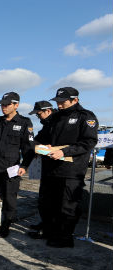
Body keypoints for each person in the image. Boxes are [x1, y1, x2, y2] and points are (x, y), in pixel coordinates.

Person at [34, 87, 98, 247]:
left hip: (71, 169)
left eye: (63, 102)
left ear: (75, 100)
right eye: (58, 101)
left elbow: (88, 142)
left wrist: (63, 151)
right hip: (51, 168)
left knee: (67, 205)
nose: (59, 104)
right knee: (47, 203)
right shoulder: (55, 118)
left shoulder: (86, 117)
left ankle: (65, 237)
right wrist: (39, 146)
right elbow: (40, 138)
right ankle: (49, 230)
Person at [0, 92, 35, 238]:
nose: (3, 107)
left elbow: (28, 148)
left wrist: (24, 166)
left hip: (11, 168)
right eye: (2, 104)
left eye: (7, 104)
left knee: (9, 199)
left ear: (16, 105)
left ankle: (6, 225)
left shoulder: (24, 122)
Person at [26, 101, 56, 238]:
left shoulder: (56, 124)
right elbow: (37, 140)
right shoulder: (47, 125)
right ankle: (45, 223)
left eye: (39, 114)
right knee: (43, 199)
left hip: (56, 167)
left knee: (51, 200)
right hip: (47, 166)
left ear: (48, 111)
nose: (38, 117)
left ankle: (49, 229)